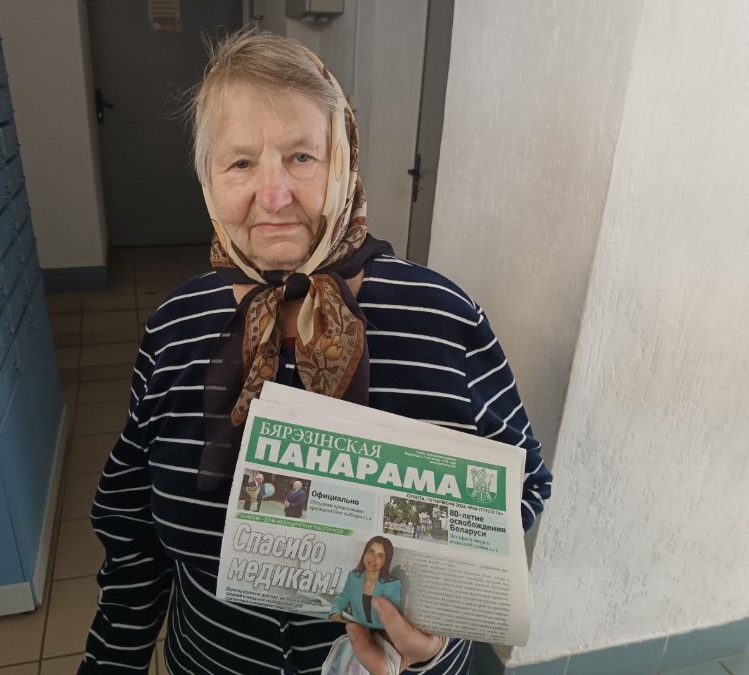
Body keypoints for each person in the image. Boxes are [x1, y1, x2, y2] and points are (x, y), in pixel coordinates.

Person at [79, 30, 552, 675]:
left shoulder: (441, 317)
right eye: (240, 163)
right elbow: (132, 528)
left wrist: (439, 621)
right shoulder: (176, 330)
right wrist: (113, 661)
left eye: (301, 156)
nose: (273, 196)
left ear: (342, 165)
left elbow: (522, 482)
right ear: (207, 180)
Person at [329, 536, 402, 630]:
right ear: (365, 553)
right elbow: (340, 600)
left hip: (382, 634)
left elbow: (393, 619)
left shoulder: (393, 585)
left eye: (380, 556)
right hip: (357, 631)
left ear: (386, 561)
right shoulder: (354, 577)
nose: (373, 558)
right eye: (371, 551)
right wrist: (335, 614)